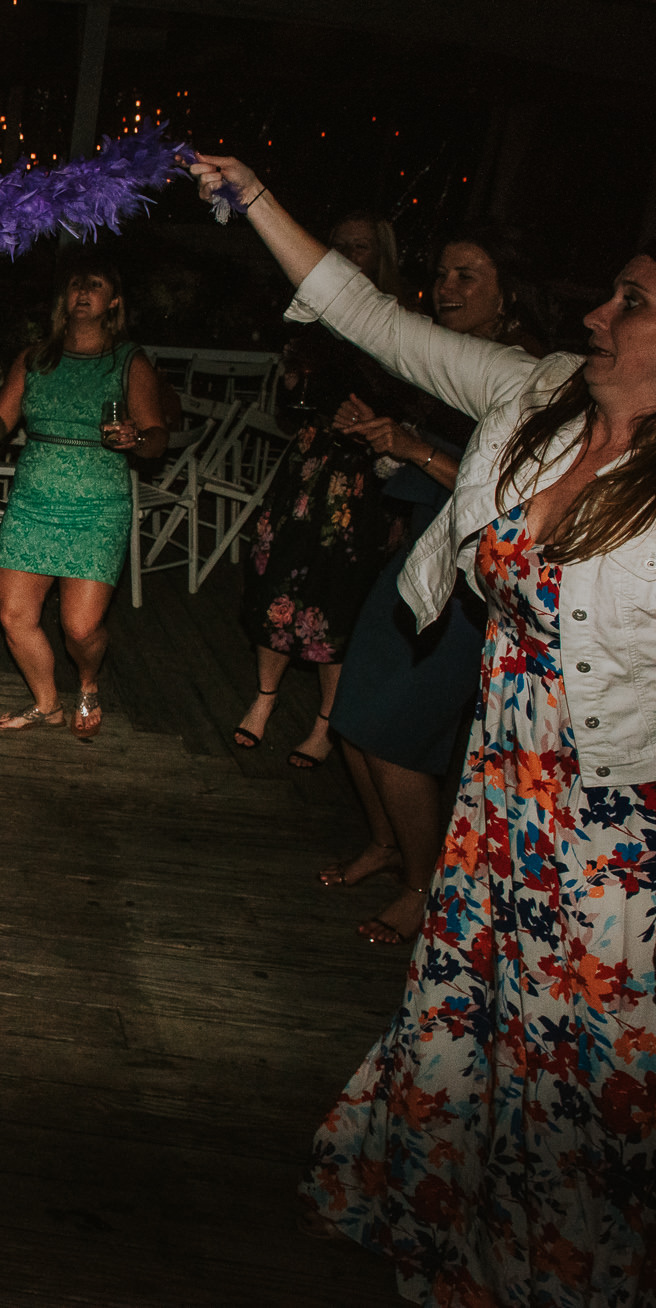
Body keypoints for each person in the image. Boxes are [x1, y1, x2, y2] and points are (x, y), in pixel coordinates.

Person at [195, 150, 656, 1308]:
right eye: (608, 293)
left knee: (583, 1065)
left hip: (614, 829)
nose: (598, 314)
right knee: (476, 1010)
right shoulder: (537, 390)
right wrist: (254, 200)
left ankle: (564, 1266)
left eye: (633, 303)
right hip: (504, 790)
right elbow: (365, 317)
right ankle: (443, 1206)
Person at [320, 230, 544, 945]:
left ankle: (424, 884)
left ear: (509, 293)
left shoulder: (534, 378)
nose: (446, 286)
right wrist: (388, 442)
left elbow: (507, 493)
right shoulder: (451, 373)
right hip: (419, 551)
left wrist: (412, 447)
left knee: (397, 732)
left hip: (471, 582)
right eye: (442, 271)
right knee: (353, 713)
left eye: (468, 275)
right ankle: (385, 841)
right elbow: (437, 467)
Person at [230, 212, 418, 769]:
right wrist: (293, 383)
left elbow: (415, 409)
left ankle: (325, 723)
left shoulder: (399, 326)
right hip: (306, 472)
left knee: (338, 601)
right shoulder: (314, 322)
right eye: (338, 246)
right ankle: (263, 700)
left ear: (380, 257)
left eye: (359, 247)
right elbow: (293, 412)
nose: (347, 257)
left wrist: (375, 420)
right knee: (274, 579)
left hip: (364, 481)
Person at [0, 254, 167, 739]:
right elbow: (0, 427)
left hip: (98, 503)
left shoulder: (129, 360)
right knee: (15, 616)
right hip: (35, 498)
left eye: (95, 285)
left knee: (80, 628)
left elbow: (157, 436)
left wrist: (136, 440)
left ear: (113, 302)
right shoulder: (35, 358)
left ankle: (88, 680)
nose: (83, 292)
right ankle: (47, 703)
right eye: (76, 284)